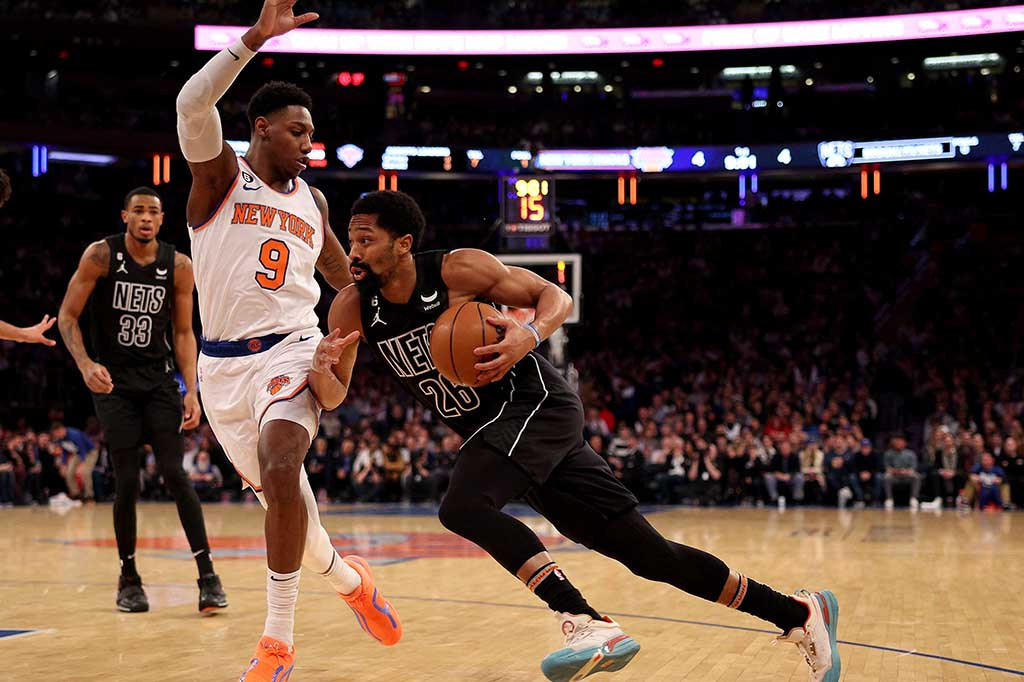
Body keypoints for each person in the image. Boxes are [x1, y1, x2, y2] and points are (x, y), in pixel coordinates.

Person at [309, 190, 841, 682]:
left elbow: (553, 295)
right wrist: (321, 371)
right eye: (350, 238)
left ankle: (583, 618)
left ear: (403, 244)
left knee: (461, 507)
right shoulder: (352, 308)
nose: (353, 251)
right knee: (650, 556)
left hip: (535, 404)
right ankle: (796, 612)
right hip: (503, 437)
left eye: (365, 239)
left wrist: (527, 335)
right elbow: (334, 395)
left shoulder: (456, 269)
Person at [174, 1, 401, 676]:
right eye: (298, 131)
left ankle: (277, 640)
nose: (309, 142)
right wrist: (255, 38)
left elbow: (342, 274)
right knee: (296, 519)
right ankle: (351, 584)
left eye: (313, 133)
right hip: (221, 374)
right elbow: (191, 102)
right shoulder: (219, 179)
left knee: (281, 464)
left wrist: (388, 310)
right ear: (261, 129)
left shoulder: (315, 201)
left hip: (293, 347)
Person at [57, 185, 227, 614]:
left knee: (175, 473)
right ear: (125, 216)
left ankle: (208, 575)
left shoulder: (179, 265)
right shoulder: (101, 256)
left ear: (162, 219)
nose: (146, 218)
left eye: (153, 211)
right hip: (114, 384)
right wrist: (84, 364)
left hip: (158, 382)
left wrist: (192, 390)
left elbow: (185, 333)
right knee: (127, 480)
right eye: (138, 211)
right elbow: (67, 316)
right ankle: (128, 577)